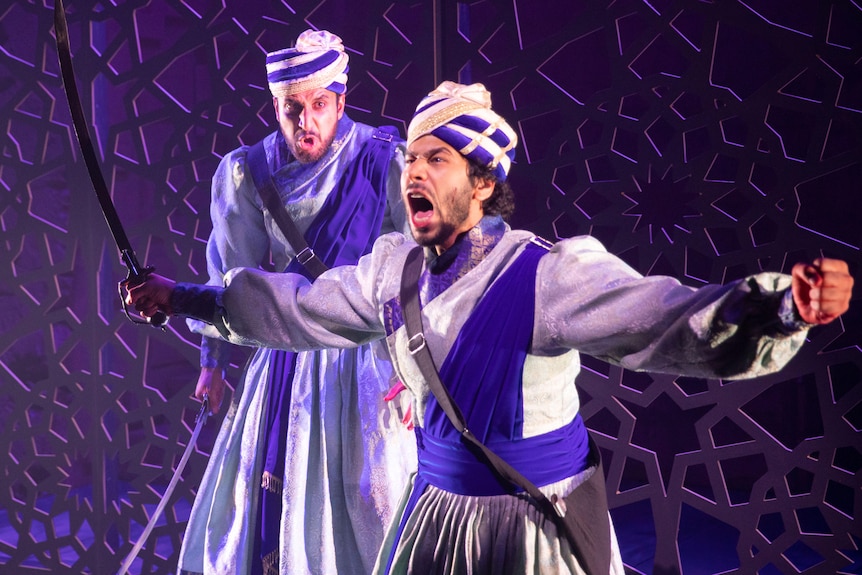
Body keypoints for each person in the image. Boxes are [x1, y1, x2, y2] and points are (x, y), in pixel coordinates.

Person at [129, 81, 854, 575]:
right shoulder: (394, 273)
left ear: (482, 182)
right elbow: (293, 306)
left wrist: (780, 305)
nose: (413, 171)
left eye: (435, 159)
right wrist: (185, 298)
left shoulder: (546, 275)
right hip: (434, 519)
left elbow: (665, 318)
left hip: (531, 527)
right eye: (410, 157)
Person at [175, 29, 415, 575]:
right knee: (270, 509)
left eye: (319, 106)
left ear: (340, 101)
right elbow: (228, 277)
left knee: (374, 504)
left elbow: (414, 277)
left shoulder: (383, 160)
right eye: (291, 108)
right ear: (275, 106)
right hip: (283, 353)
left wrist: (410, 368)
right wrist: (213, 365)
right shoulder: (249, 172)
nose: (305, 121)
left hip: (366, 359)